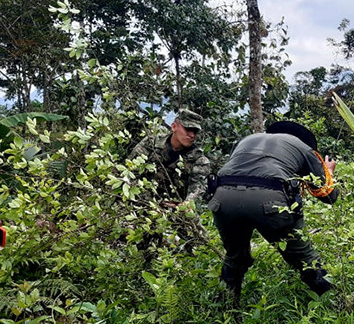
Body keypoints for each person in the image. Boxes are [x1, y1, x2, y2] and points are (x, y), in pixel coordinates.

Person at [206, 121, 339, 301]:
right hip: (270, 199)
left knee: (235, 257)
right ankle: (334, 304)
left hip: (222, 198)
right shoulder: (304, 148)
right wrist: (329, 172)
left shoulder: (247, 140)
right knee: (305, 258)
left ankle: (225, 311)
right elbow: (328, 195)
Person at [127, 109, 211, 255]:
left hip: (178, 208)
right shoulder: (150, 144)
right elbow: (130, 174)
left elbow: (197, 188)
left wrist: (186, 204)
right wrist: (148, 204)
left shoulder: (199, 160)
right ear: (174, 127)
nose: (192, 135)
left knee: (200, 246)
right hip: (145, 205)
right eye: (188, 129)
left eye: (195, 132)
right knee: (138, 245)